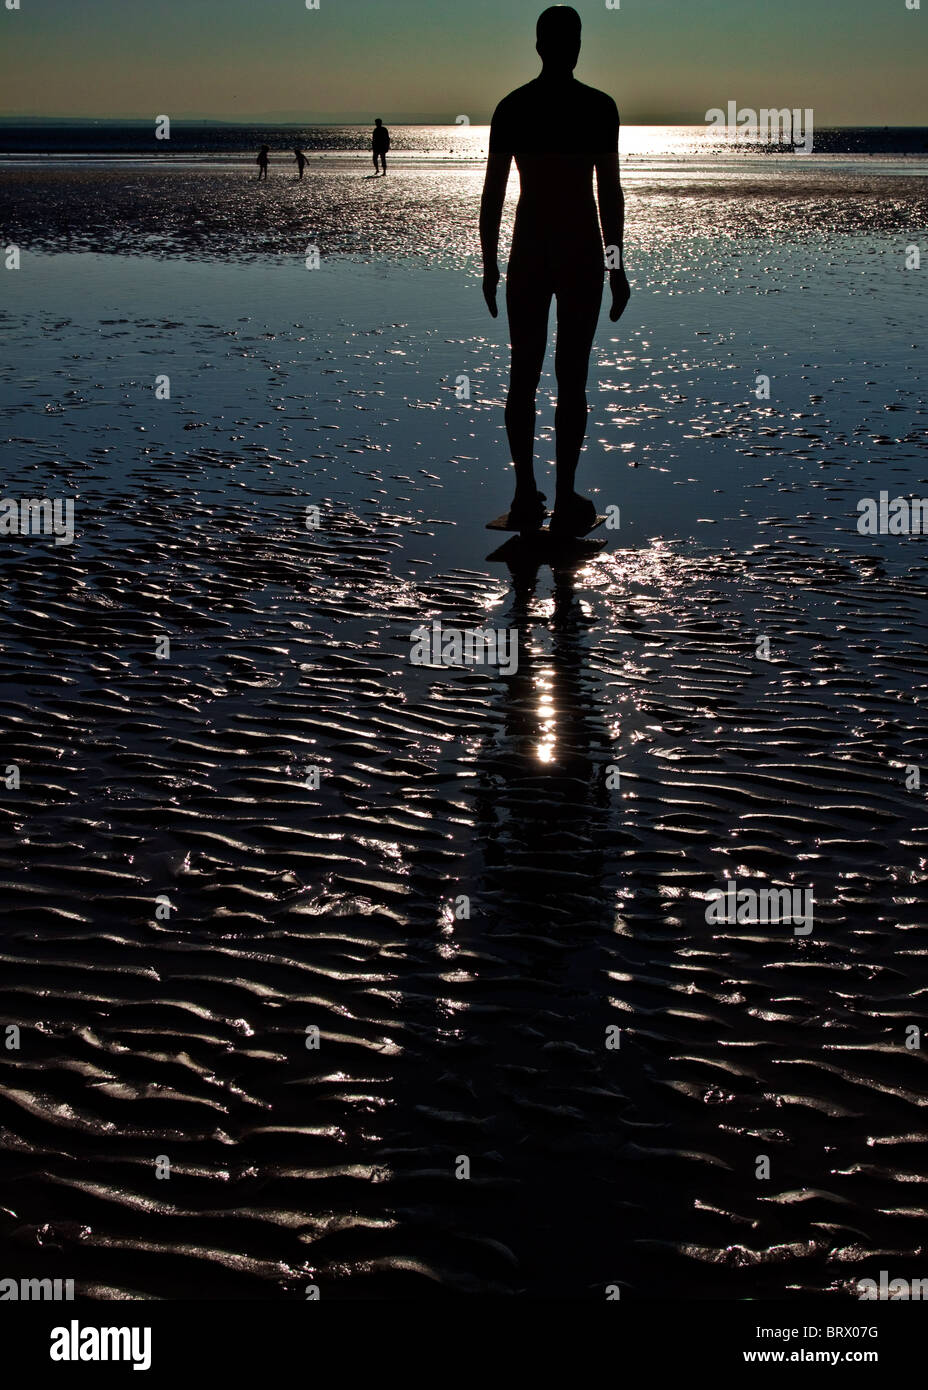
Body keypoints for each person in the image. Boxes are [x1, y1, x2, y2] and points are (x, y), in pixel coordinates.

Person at [479, 5, 630, 534]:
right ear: (554, 46)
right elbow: (608, 195)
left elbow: (494, 195)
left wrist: (490, 264)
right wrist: (615, 267)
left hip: (535, 252)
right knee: (567, 378)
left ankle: (534, 496)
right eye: (572, 38)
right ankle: (556, 495)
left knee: (529, 376)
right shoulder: (595, 107)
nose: (575, 46)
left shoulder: (515, 106)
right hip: (577, 253)